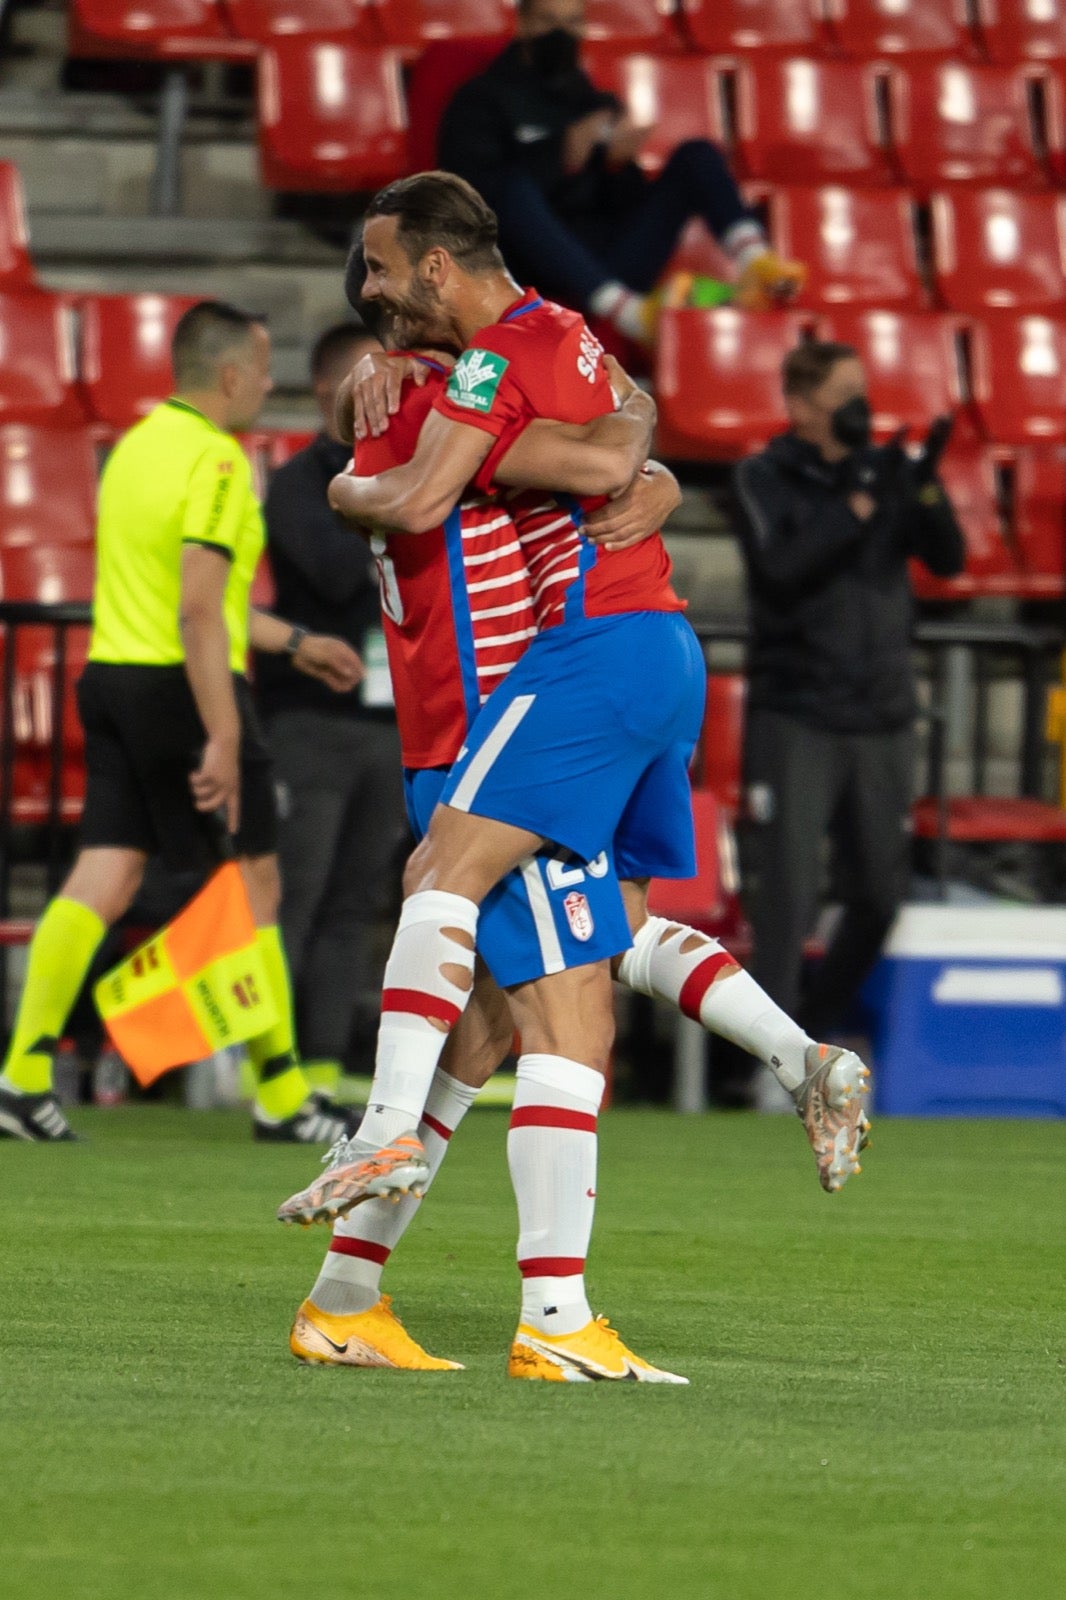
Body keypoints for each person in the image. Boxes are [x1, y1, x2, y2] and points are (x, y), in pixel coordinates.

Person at [277, 176, 870, 1383]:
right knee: (567, 1013)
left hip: (503, 713)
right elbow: (593, 445)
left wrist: (628, 456)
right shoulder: (461, 382)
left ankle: (352, 1291)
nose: (381, 300)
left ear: (432, 275)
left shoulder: (464, 376)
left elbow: (601, 427)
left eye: (385, 272)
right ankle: (537, 1306)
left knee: (532, 1005)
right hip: (518, 709)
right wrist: (633, 467)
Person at [0, 301, 363, 1145]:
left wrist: (296, 642)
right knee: (254, 883)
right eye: (265, 368)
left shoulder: (132, 449)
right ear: (232, 374)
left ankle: (20, 1075)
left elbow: (190, 601)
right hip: (187, 694)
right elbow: (200, 615)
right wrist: (227, 735)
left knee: (106, 874)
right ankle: (280, 1092)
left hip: (116, 677)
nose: (269, 384)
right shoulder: (221, 465)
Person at [732, 340, 965, 1087]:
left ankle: (814, 1035)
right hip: (797, 710)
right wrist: (856, 505)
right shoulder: (764, 474)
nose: (859, 407)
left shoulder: (888, 471)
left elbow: (950, 559)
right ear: (801, 406)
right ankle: (773, 1071)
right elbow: (780, 571)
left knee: (879, 895)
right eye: (842, 394)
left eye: (862, 390)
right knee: (790, 894)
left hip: (882, 714)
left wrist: (922, 487)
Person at [437, 0, 805, 344]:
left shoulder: (594, 102)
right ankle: (627, 314)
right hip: (530, 265)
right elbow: (474, 198)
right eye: (549, 21)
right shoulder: (479, 100)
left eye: (573, 22)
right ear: (523, 24)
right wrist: (560, 156)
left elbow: (622, 203)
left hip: (609, 257)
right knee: (512, 189)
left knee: (697, 154)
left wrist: (617, 165)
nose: (562, 34)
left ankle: (756, 262)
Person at [256, 323, 407, 1079]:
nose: (383, 395)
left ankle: (319, 1064)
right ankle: (271, 1072)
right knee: (298, 895)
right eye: (365, 380)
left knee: (357, 901)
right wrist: (386, 495)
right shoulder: (296, 483)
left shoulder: (407, 475)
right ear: (325, 391)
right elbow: (332, 573)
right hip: (311, 720)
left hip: (388, 722)